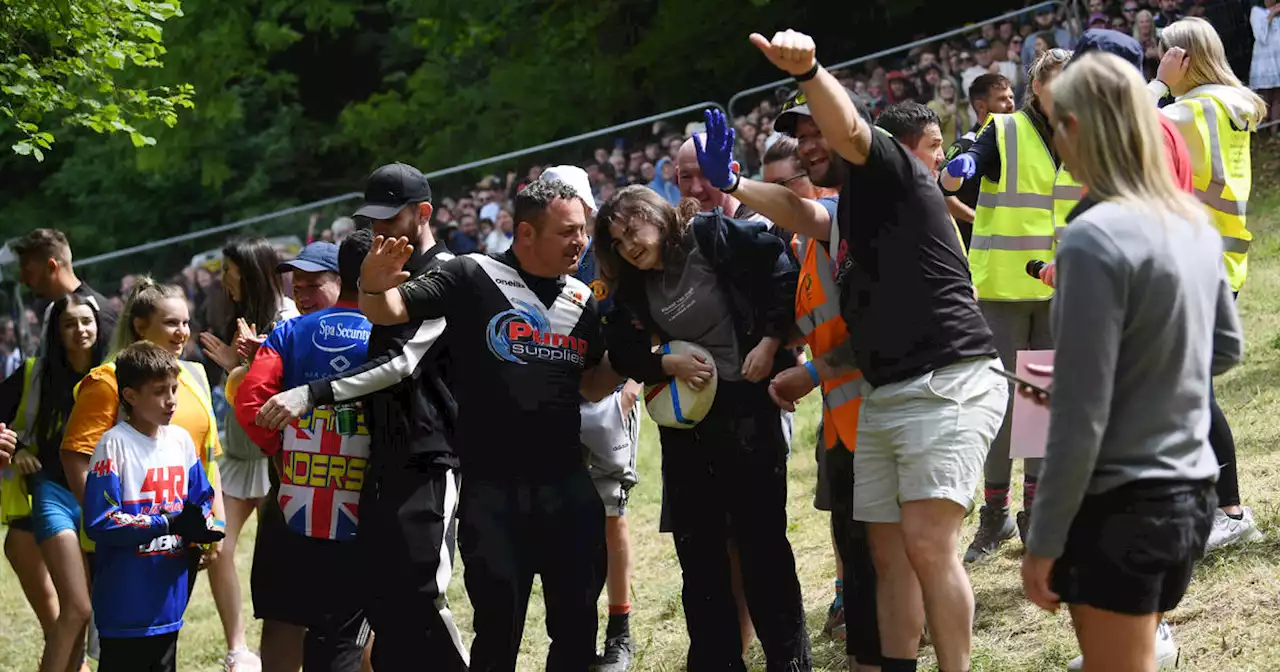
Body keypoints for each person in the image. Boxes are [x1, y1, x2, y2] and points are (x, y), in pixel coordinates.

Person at [749, 29, 1007, 672]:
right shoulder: (850, 211)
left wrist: (810, 71)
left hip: (949, 377)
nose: (810, 147)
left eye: (817, 134)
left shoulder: (889, 167)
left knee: (926, 544)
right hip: (890, 390)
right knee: (887, 553)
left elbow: (851, 132)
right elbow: (798, 212)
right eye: (799, 139)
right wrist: (731, 183)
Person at [1020, 51, 1242, 672]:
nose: (1055, 139)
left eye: (1057, 122)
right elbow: (1225, 349)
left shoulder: (1092, 238)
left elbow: (1079, 412)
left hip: (1121, 504)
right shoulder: (1191, 222)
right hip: (1190, 494)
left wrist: (1042, 541)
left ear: (1079, 128)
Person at [355, 178, 621, 670]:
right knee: (498, 631)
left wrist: (633, 352)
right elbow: (387, 310)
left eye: (582, 230)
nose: (579, 242)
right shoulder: (470, 275)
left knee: (578, 628)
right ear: (525, 233)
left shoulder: (584, 299)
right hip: (493, 495)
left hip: (568, 487)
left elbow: (591, 385)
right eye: (567, 232)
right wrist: (372, 282)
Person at [252, 163, 470, 671]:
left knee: (423, 594)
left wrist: (311, 394)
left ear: (423, 214)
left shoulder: (448, 273)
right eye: (371, 221)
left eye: (390, 219)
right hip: (382, 461)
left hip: (432, 456)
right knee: (381, 601)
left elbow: (401, 361)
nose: (380, 231)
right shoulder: (384, 273)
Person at [694, 103, 884, 672]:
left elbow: (873, 326)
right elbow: (810, 322)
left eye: (786, 187)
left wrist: (808, 370)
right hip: (843, 420)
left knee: (889, 548)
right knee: (849, 533)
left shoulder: (839, 228)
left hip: (881, 412)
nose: (775, 201)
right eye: (767, 187)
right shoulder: (796, 249)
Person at [594, 184, 811, 672]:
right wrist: (665, 360)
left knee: (763, 550)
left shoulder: (710, 236)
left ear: (656, 214)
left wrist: (771, 342)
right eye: (618, 241)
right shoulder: (630, 286)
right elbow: (622, 350)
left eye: (633, 230)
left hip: (749, 411)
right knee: (700, 560)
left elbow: (779, 268)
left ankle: (789, 663)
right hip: (688, 432)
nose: (629, 245)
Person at [939, 48, 1077, 564]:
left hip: (1059, 288)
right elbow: (957, 172)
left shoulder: (1086, 132)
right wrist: (959, 169)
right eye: (1055, 80)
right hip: (1002, 289)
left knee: (1040, 399)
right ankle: (993, 514)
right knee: (1001, 405)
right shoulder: (1003, 130)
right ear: (1035, 86)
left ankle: (1034, 512)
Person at [60, 279, 230, 671]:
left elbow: (201, 491)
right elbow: (100, 515)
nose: (172, 400)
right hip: (126, 590)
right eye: (160, 392)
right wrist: (167, 521)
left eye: (173, 390)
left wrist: (205, 526)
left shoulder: (181, 433)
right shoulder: (111, 421)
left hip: (169, 585)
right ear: (132, 397)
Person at [1151, 17, 1269, 551]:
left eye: (1165, 55)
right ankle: (1217, 502)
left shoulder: (1195, 107)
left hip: (1198, 260)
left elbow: (1119, 124)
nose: (1159, 62)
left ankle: (1231, 510)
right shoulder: (1229, 104)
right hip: (1221, 258)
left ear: (1183, 58)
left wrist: (1156, 83)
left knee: (1192, 390)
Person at [235, 231, 375, 671]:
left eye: (314, 285)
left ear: (342, 280)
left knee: (298, 615)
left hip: (296, 496)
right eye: (296, 289)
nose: (303, 295)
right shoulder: (388, 332)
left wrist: (284, 449)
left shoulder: (289, 333)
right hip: (362, 499)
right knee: (346, 620)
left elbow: (250, 401)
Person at [540, 165, 645, 672]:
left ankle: (619, 629)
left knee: (610, 512)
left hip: (608, 399)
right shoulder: (540, 253)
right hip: (559, 405)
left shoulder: (611, 250)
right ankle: (574, 627)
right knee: (562, 522)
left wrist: (628, 392)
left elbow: (646, 321)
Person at [197, 237, 298, 671]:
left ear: (251, 270)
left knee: (285, 566)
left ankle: (301, 641)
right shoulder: (244, 317)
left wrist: (237, 367)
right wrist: (233, 366)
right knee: (218, 549)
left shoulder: (287, 318)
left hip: (275, 461)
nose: (224, 280)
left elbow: (281, 389)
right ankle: (238, 647)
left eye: (229, 270)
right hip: (239, 458)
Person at [0, 293, 110, 672]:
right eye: (69, 323)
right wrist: (14, 452)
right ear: (56, 332)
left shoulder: (115, 373)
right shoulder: (36, 374)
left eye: (86, 321)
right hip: (53, 494)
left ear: (98, 325)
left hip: (104, 499)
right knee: (77, 607)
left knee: (90, 613)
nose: (80, 329)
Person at [942, 74, 1016, 248]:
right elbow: (945, 198)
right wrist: (979, 220)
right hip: (980, 246)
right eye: (1002, 99)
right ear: (980, 106)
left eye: (1011, 97)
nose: (1011, 104)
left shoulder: (1017, 141)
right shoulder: (966, 146)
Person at [1250, 0, 1280, 134]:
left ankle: (1274, 131)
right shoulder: (1256, 12)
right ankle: (1261, 131)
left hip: (1278, 60)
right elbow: (1260, 36)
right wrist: (1270, 16)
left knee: (1278, 96)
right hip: (1264, 63)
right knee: (1264, 97)